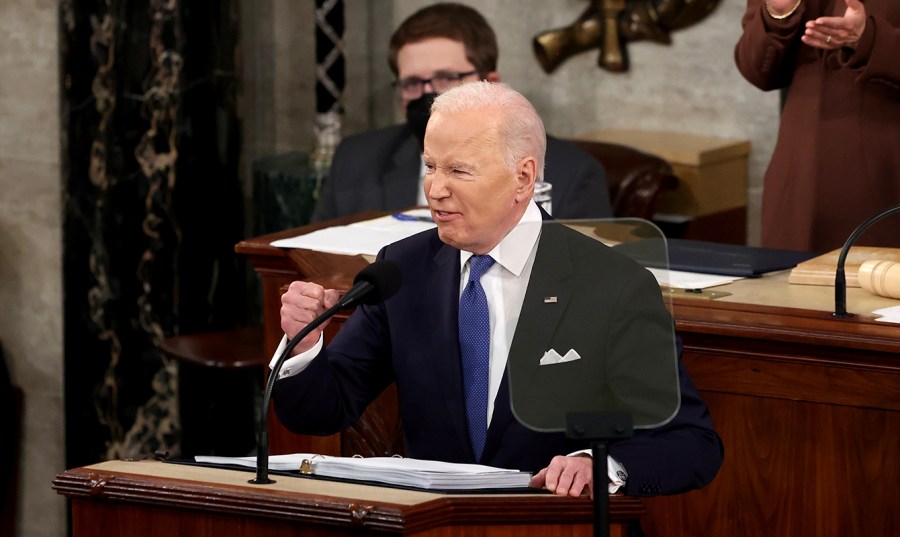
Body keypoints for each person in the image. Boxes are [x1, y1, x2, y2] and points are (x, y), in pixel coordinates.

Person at [272, 81, 723, 499]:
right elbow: (321, 411)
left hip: (551, 526)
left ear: (523, 178)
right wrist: (305, 347)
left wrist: (600, 466)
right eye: (429, 166)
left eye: (458, 170)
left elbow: (691, 442)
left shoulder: (612, 285)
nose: (435, 188)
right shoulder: (403, 268)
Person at [311, 2, 613, 223]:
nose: (429, 96)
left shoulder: (572, 174)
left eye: (447, 78)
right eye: (413, 83)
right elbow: (312, 262)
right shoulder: (356, 159)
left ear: (491, 82)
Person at [734, 0, 900, 253]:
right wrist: (779, 14)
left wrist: (868, 39)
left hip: (885, 180)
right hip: (798, 183)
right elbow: (757, 70)